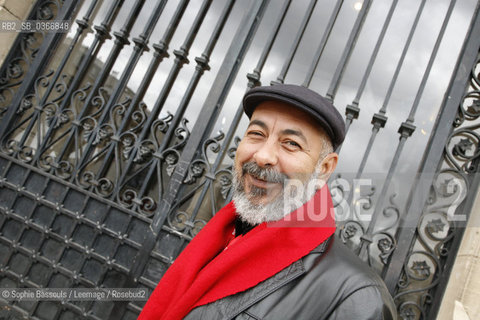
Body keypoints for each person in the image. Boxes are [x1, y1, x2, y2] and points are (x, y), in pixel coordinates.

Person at [139, 84, 397, 319]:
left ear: (325, 169)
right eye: (256, 134)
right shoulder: (222, 236)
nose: (263, 156)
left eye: (291, 143)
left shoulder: (358, 298)